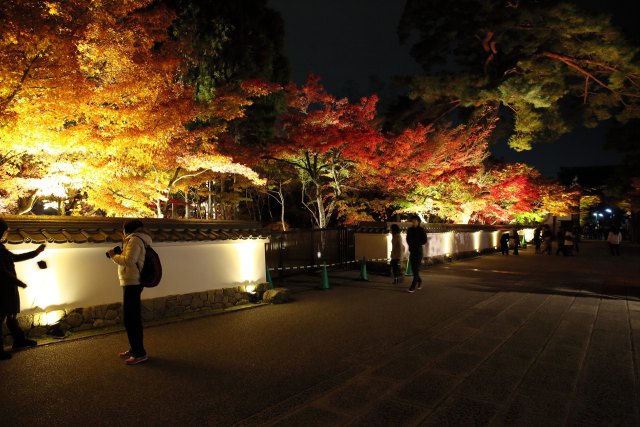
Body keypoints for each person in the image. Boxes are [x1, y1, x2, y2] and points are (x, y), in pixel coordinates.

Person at [108, 219, 152, 365]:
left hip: (132, 282)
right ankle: (135, 349)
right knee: (133, 318)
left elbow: (130, 261)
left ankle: (140, 353)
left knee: (131, 319)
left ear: (127, 229)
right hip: (132, 281)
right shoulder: (138, 239)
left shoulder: (134, 240)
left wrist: (113, 256)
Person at [0, 219, 46, 360]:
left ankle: (19, 340)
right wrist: (18, 282)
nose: (5, 233)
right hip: (2, 288)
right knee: (1, 317)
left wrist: (36, 252)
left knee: (12, 316)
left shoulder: (1, 248)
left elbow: (15, 258)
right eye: (5, 231)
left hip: (9, 287)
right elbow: (1, 271)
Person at [405, 215, 427, 293]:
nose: (413, 222)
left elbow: (424, 240)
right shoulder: (410, 230)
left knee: (416, 268)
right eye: (412, 221)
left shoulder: (421, 230)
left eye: (415, 221)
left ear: (418, 222)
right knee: (414, 269)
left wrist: (417, 243)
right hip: (412, 251)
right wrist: (410, 244)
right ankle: (419, 280)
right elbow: (407, 239)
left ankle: (413, 286)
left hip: (418, 251)